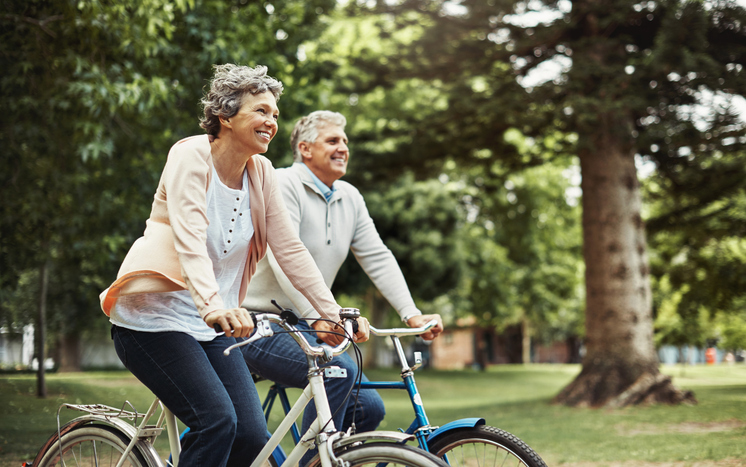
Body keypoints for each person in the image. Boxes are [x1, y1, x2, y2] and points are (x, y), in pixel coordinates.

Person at [99, 66, 369, 467]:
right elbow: (189, 236)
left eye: (275, 115)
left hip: (214, 326)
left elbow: (290, 250)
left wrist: (332, 314)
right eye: (261, 111)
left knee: (252, 436)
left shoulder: (261, 173)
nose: (271, 122)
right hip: (154, 320)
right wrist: (212, 304)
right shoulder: (189, 155)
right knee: (216, 422)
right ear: (225, 116)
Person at [241, 110, 444, 460]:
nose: (343, 148)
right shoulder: (283, 184)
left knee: (368, 407)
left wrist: (411, 314)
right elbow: (283, 255)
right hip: (256, 322)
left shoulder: (349, 197)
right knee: (337, 372)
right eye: (333, 141)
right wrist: (320, 315)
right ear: (305, 149)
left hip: (308, 323)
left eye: (345, 142)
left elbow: (377, 257)